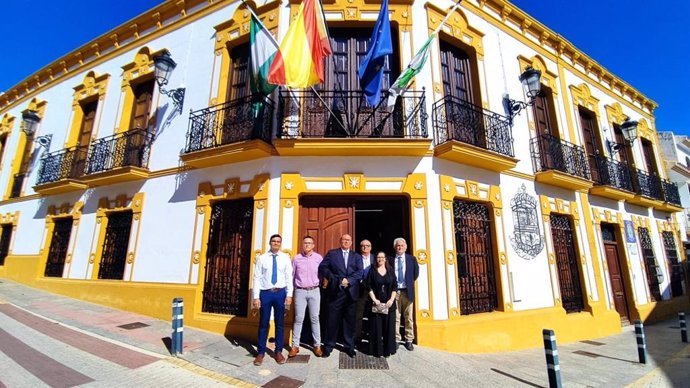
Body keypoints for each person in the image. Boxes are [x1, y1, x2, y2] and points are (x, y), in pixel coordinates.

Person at [318, 234, 363, 358]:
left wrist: (349, 280)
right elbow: (323, 267)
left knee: (350, 321)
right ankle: (328, 346)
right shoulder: (332, 254)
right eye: (344, 240)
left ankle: (349, 346)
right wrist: (334, 279)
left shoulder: (356, 256)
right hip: (335, 292)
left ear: (351, 242)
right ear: (340, 241)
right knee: (332, 320)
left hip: (351, 293)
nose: (346, 242)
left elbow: (360, 272)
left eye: (348, 240)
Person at [252, 234, 293, 366]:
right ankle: (261, 352)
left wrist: (289, 295)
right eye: (274, 241)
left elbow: (289, 277)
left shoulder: (285, 258)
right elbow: (256, 277)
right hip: (266, 293)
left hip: (280, 293)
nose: (276, 243)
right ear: (270, 243)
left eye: (278, 241)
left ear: (280, 243)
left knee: (279, 323)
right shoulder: (262, 258)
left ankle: (278, 351)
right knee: (263, 323)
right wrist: (256, 297)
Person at [289, 236, 323, 358]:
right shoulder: (296, 259)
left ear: (313, 245)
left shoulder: (319, 258)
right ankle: (295, 346)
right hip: (300, 291)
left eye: (310, 243)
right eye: (305, 243)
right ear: (302, 245)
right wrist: (290, 292)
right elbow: (291, 276)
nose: (307, 245)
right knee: (299, 318)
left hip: (314, 291)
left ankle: (317, 345)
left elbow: (323, 273)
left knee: (315, 318)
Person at [389, 237, 419, 351]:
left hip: (407, 291)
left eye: (401, 245)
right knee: (396, 317)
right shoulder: (390, 259)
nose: (399, 247)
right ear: (395, 247)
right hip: (395, 292)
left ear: (405, 247)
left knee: (408, 317)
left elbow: (415, 275)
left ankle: (409, 339)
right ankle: (396, 339)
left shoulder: (412, 259)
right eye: (397, 246)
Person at [367, 251, 398, 358]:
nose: (380, 259)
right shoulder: (372, 271)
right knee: (376, 327)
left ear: (385, 259)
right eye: (378, 257)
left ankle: (387, 350)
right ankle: (377, 351)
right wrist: (374, 299)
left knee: (389, 328)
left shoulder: (390, 271)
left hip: (389, 304)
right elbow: (369, 286)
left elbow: (395, 286)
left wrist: (391, 300)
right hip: (377, 304)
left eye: (382, 257)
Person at [354, 239, 373, 345]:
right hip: (359, 289)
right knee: (358, 314)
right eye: (362, 246)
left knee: (372, 313)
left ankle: (371, 335)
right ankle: (357, 336)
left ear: (371, 247)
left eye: (367, 245)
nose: (365, 247)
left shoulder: (375, 258)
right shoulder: (355, 258)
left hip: (373, 290)